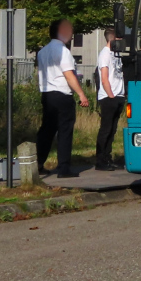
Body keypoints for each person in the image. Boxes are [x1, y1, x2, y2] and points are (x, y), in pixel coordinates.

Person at [37, 18, 90, 178]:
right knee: (65, 131)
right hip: (62, 94)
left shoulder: (42, 51)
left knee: (47, 130)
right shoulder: (63, 52)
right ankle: (64, 168)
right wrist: (81, 94)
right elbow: (69, 75)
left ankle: (38, 164)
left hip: (47, 94)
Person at [95, 28, 126, 171]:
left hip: (119, 95)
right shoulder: (105, 55)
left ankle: (108, 157)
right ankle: (100, 160)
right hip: (109, 97)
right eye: (119, 39)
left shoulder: (116, 54)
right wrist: (111, 95)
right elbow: (104, 77)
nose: (121, 42)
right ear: (112, 39)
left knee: (112, 130)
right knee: (106, 129)